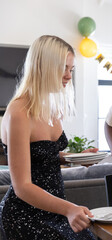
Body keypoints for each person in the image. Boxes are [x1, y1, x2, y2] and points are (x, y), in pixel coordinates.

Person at [0, 35, 96, 239]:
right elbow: (22, 187)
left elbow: (45, 155)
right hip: (25, 214)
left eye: (71, 69)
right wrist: (69, 209)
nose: (69, 76)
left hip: (55, 209)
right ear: (43, 66)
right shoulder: (19, 112)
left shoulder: (50, 108)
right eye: (64, 68)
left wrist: (74, 158)